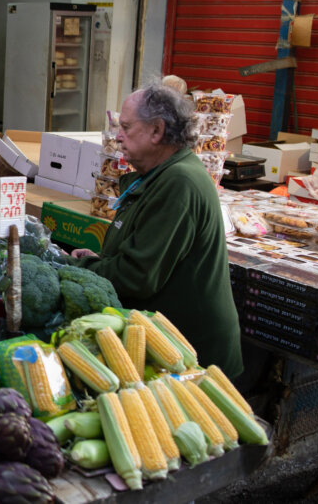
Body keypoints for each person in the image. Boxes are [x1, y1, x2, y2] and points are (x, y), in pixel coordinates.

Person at [72, 81, 243, 378]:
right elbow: (141, 249)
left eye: (126, 127)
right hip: (167, 345)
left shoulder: (180, 182)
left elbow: (137, 276)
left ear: (157, 131)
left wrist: (82, 268)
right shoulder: (156, 175)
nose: (119, 137)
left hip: (194, 359)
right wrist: (101, 260)